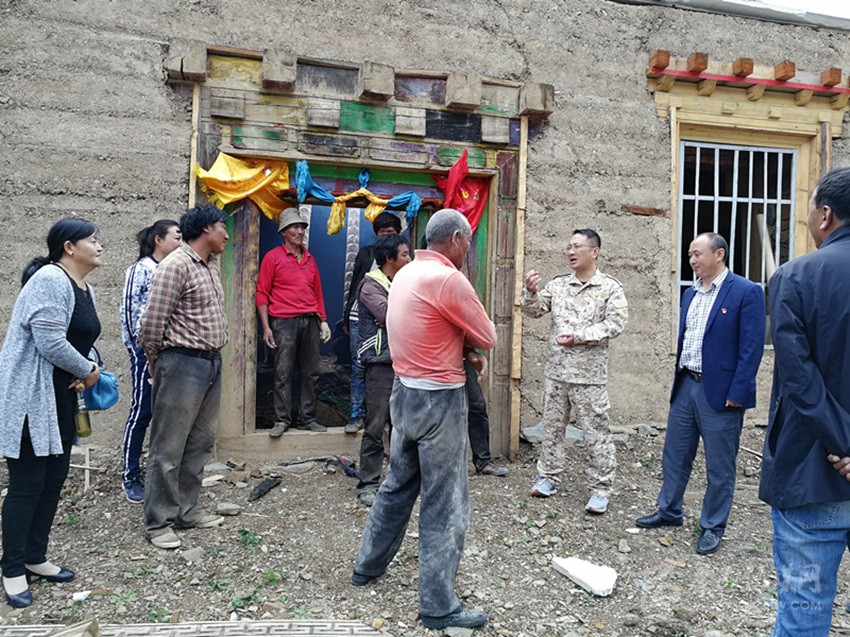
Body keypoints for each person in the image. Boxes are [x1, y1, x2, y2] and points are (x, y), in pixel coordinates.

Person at [352, 209, 496, 630]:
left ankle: (367, 566)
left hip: (404, 394)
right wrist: (471, 347)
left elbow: (426, 327)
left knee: (397, 486)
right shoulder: (448, 279)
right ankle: (438, 605)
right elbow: (487, 335)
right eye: (467, 242)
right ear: (456, 239)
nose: (467, 249)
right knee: (444, 502)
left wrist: (461, 345)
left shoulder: (405, 274)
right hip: (439, 399)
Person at [760, 167, 850, 636]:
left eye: (809, 209)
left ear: (826, 215)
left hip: (814, 471)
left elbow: (801, 381)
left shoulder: (795, 276)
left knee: (805, 608)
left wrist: (846, 444)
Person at [636, 232, 765, 555]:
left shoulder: (746, 291)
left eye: (698, 254)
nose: (692, 260)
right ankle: (670, 510)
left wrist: (738, 391)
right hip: (686, 385)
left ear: (719, 254)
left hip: (721, 393)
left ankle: (712, 525)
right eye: (690, 255)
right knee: (675, 454)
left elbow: (751, 349)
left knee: (720, 466)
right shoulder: (690, 293)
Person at [0, 218, 103, 608]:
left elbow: (78, 341)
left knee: (53, 479)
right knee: (27, 484)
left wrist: (88, 367)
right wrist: (88, 370)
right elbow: (49, 341)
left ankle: (34, 556)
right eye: (93, 240)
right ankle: (12, 568)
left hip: (60, 399)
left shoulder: (85, 288)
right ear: (69, 247)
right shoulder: (49, 279)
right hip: (31, 399)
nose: (100, 246)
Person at [138, 204, 229, 550]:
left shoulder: (209, 265)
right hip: (181, 364)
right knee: (168, 446)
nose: (226, 234)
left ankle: (186, 511)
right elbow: (151, 323)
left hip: (210, 362)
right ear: (206, 228)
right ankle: (158, 522)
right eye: (222, 227)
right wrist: (155, 361)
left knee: (200, 441)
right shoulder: (176, 265)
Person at [521, 229, 628, 514]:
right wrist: (531, 292)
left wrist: (579, 337)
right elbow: (534, 310)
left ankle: (601, 489)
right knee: (552, 429)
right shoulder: (558, 286)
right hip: (557, 373)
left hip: (589, 377)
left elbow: (616, 324)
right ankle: (548, 476)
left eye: (577, 246)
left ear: (595, 252)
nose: (570, 252)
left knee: (596, 432)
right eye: (568, 247)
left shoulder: (609, 288)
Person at [118, 219, 182, 504]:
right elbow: (131, 312)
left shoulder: (171, 269)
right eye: (176, 237)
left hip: (171, 352)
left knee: (167, 414)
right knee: (142, 412)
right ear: (159, 240)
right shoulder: (141, 269)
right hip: (146, 352)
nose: (180, 243)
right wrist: (140, 351)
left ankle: (161, 476)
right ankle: (130, 476)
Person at [257, 207, 331, 436]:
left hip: (309, 320)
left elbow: (317, 293)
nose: (300, 231)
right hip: (283, 322)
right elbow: (262, 294)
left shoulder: (310, 259)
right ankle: (281, 420)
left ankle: (307, 418)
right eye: (295, 228)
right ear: (284, 232)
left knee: (311, 372)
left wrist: (323, 321)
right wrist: (266, 327)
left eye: (301, 227)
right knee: (283, 372)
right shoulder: (273, 257)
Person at [354, 234, 411, 507]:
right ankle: (367, 483)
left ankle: (400, 481)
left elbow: (399, 316)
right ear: (389, 259)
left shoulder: (402, 282)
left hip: (403, 362)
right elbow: (391, 315)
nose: (409, 259)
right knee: (376, 425)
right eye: (404, 255)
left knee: (404, 426)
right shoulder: (370, 285)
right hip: (380, 363)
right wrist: (398, 315)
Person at [343, 211, 402, 434]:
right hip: (359, 319)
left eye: (391, 232)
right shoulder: (366, 254)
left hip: (388, 322)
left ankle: (383, 418)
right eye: (383, 232)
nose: (386, 236)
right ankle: (356, 415)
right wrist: (347, 315)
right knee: (359, 366)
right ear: (376, 234)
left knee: (385, 368)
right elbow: (354, 285)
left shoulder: (402, 259)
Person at [465, 353, 509, 477]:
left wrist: (472, 351)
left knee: (477, 407)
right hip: (432, 363)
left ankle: (483, 462)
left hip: (459, 359)